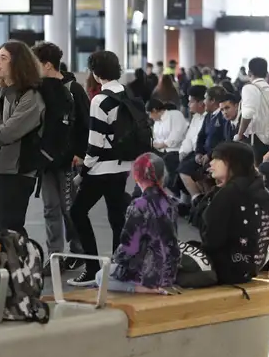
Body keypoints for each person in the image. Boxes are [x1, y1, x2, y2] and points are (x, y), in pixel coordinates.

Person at [68, 51, 131, 286]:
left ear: (95, 72)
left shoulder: (99, 100)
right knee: (116, 217)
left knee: (77, 212)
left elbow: (95, 143)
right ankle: (118, 268)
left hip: (101, 168)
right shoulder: (127, 95)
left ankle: (92, 267)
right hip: (123, 165)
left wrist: (84, 170)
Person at [31, 41, 89, 268]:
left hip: (68, 160)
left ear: (47, 65)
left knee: (69, 208)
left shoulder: (73, 89)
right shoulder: (38, 89)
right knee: (49, 208)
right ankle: (55, 255)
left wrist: (81, 152)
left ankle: (77, 250)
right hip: (46, 161)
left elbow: (85, 123)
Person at [95, 153, 180, 293]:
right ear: (162, 176)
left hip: (148, 274)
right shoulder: (171, 202)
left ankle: (142, 289)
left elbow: (129, 248)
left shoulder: (139, 205)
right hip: (169, 272)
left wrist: (116, 260)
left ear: (136, 177)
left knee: (100, 277)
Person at [0, 40, 45, 235]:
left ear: (17, 63)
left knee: (11, 227)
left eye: (3, 58)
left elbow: (6, 133)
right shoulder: (5, 91)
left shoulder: (31, 96)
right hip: (1, 167)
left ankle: (21, 263)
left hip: (19, 171)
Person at [197, 142, 269, 284]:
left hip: (226, 270)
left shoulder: (228, 194)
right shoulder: (260, 189)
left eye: (217, 158)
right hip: (254, 266)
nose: (211, 163)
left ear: (232, 163)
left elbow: (212, 241)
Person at [177, 86, 228, 206]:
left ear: (213, 101)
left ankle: (204, 202)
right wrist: (198, 153)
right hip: (204, 155)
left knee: (196, 172)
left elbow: (224, 141)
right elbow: (200, 137)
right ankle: (200, 201)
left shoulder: (223, 117)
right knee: (185, 169)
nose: (204, 102)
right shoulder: (209, 116)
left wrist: (209, 155)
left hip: (216, 156)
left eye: (205, 99)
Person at [146, 99, 189, 187]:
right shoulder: (157, 123)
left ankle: (171, 187)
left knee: (166, 163)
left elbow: (176, 136)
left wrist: (161, 144)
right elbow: (155, 138)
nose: (150, 117)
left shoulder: (175, 115)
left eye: (149, 114)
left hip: (176, 150)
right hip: (161, 151)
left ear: (154, 110)